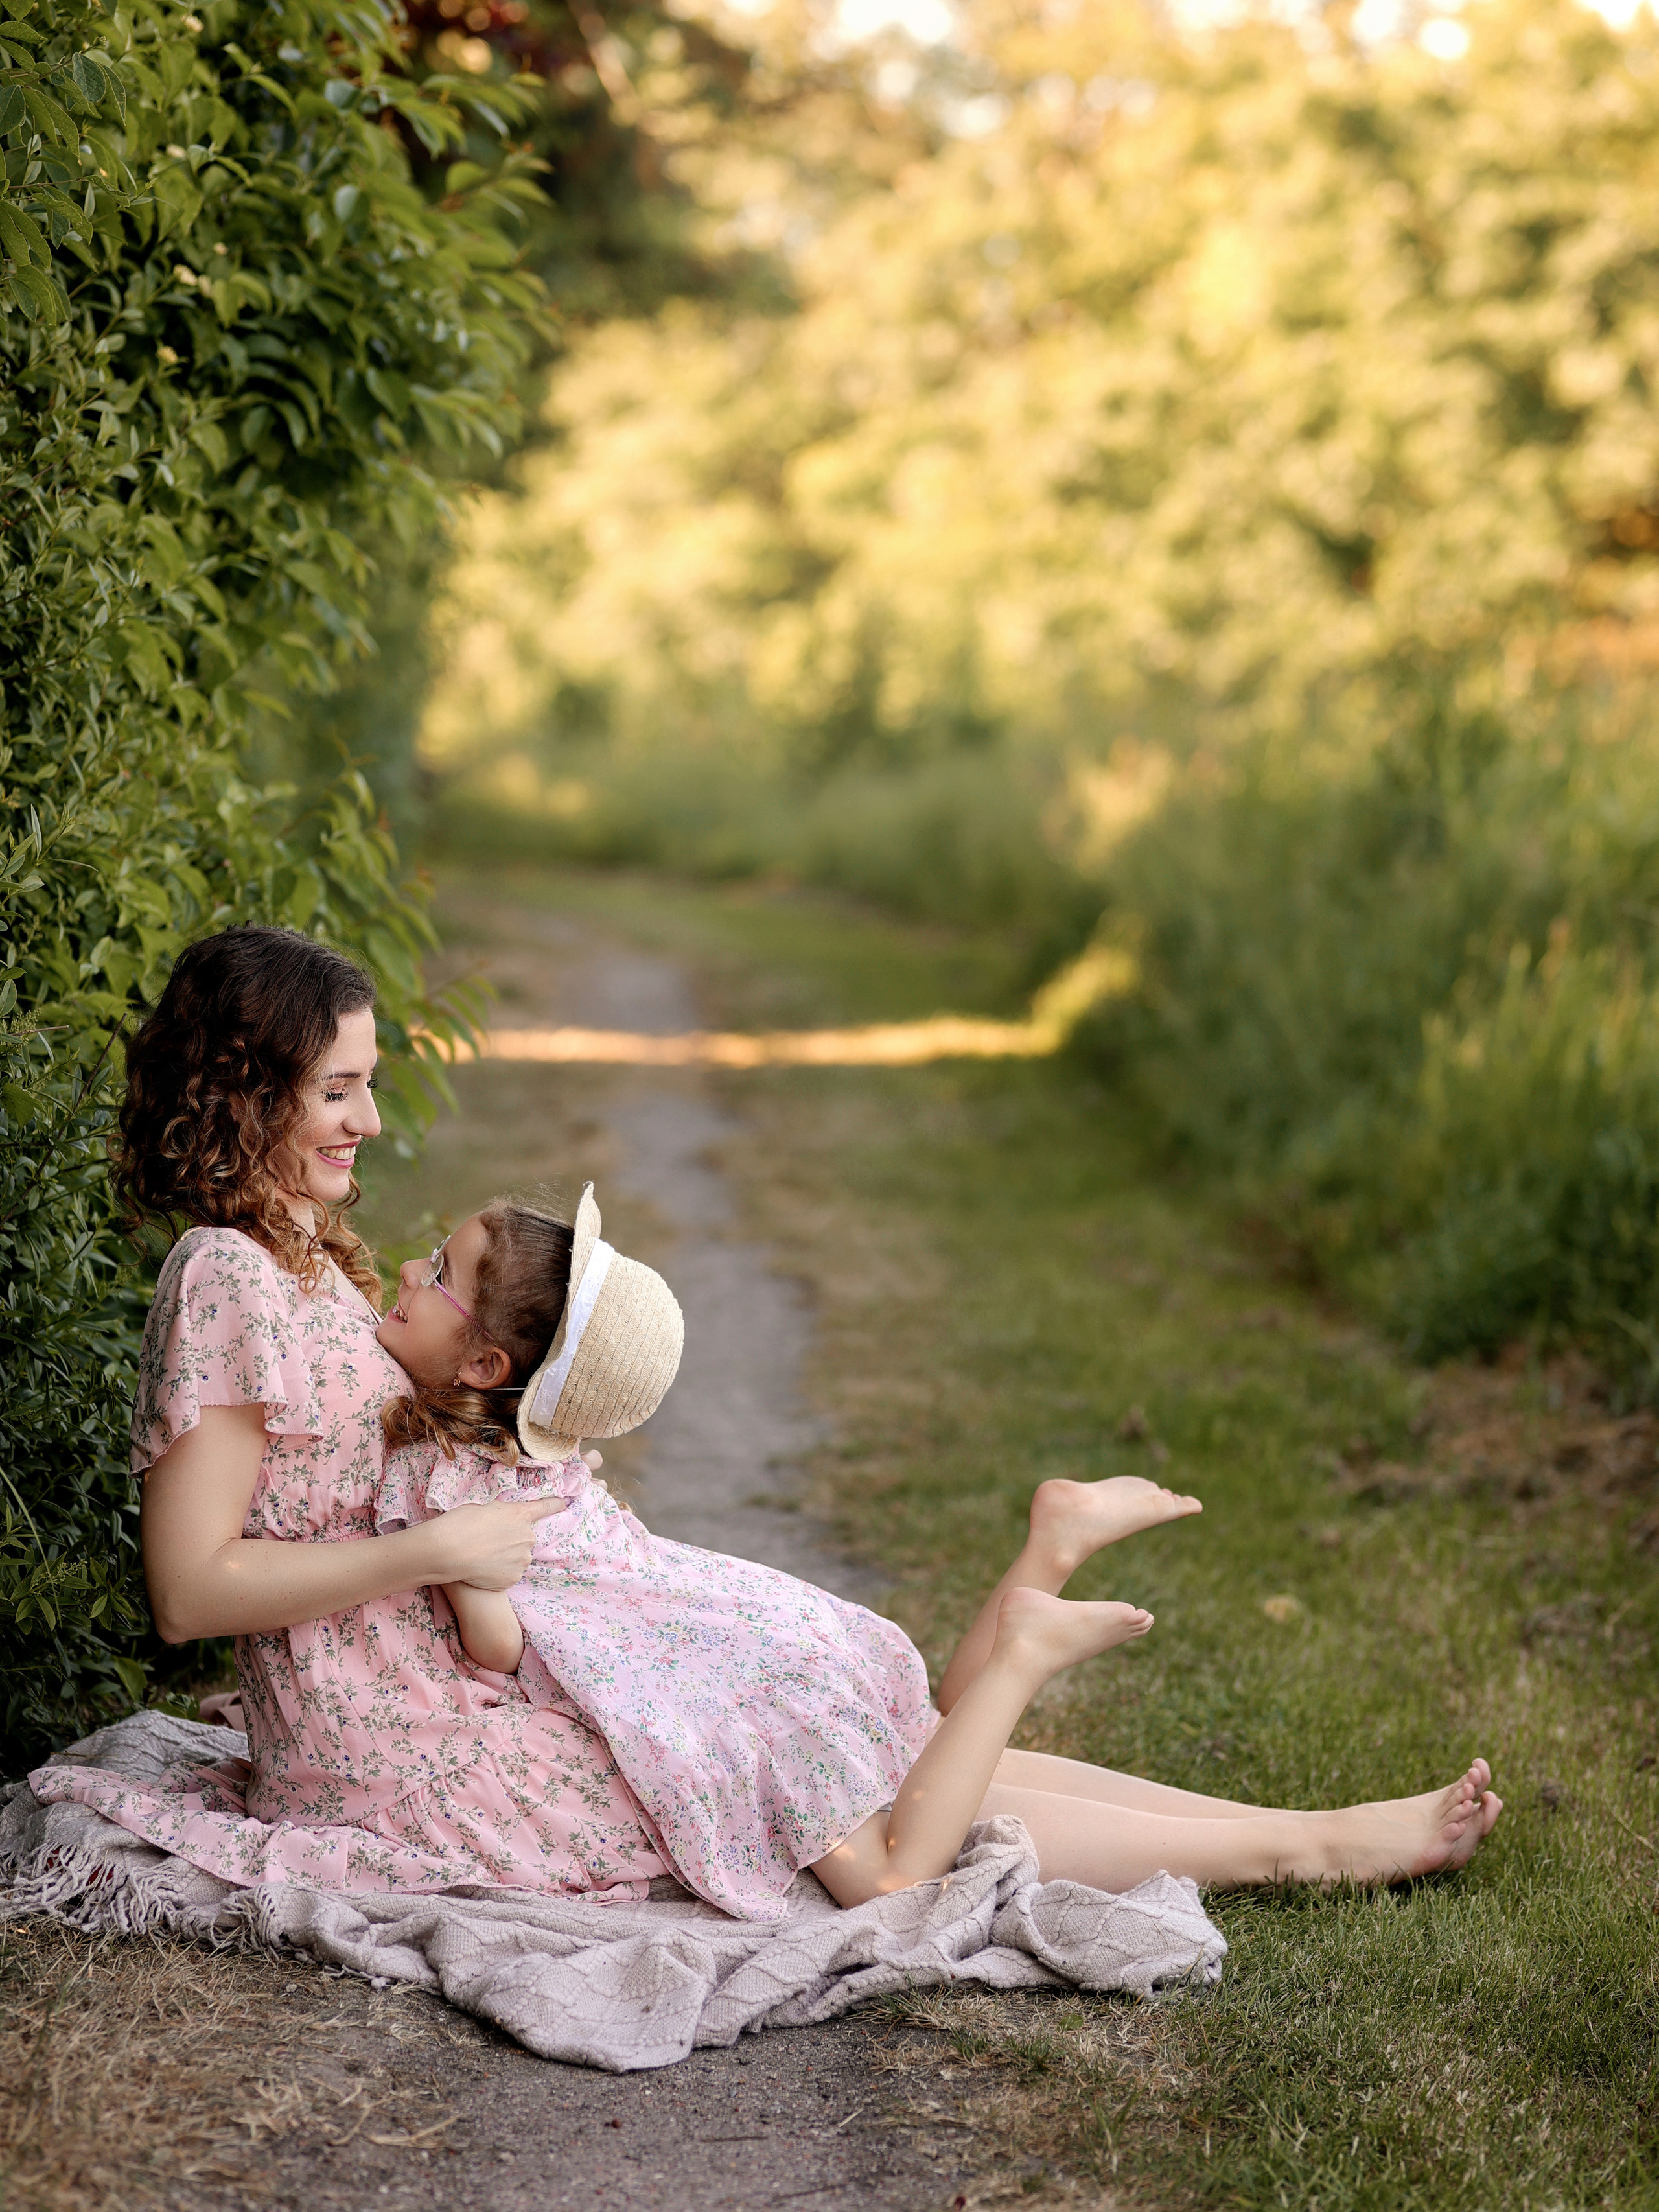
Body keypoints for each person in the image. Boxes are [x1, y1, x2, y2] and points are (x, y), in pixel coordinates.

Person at [38, 922, 1501, 1908]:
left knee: (857, 1746)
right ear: (246, 1093)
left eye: (368, 1086)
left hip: (460, 1679)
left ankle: (1297, 1830)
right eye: (339, 1090)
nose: (367, 1120)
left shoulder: (308, 1253)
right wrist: (432, 1554)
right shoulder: (223, 1276)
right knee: (794, 1793)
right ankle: (1304, 1847)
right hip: (400, 1742)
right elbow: (190, 1590)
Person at [371, 1187, 1158, 1918]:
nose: (406, 1269)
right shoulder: (530, 1450)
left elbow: (499, 1646)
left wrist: (466, 1576)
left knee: (887, 1878)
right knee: (935, 1741)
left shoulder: (451, 1484)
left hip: (724, 1693)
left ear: (486, 1367)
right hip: (741, 1632)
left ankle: (1021, 1654)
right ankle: (1050, 1548)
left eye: (437, 1270)